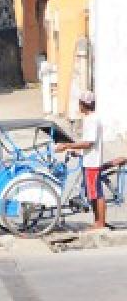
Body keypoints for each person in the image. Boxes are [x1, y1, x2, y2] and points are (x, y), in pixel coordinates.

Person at [55, 91, 107, 230]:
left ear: (84, 105)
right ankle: (97, 221)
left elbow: (88, 143)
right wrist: (77, 151)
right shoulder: (90, 118)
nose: (79, 106)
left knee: (97, 194)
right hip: (89, 160)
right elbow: (88, 144)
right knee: (92, 193)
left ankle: (100, 223)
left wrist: (67, 145)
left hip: (92, 163)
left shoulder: (92, 120)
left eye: (80, 103)